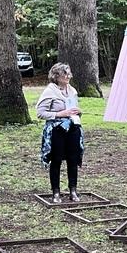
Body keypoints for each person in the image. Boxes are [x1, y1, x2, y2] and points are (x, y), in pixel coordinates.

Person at [36, 63, 84, 203]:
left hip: (73, 128)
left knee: (73, 160)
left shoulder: (72, 90)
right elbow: (40, 113)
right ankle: (56, 192)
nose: (68, 76)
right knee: (56, 160)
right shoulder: (50, 91)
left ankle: (73, 191)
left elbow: (74, 108)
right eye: (65, 74)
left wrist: (79, 112)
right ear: (57, 76)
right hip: (57, 130)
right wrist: (60, 114)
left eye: (69, 74)